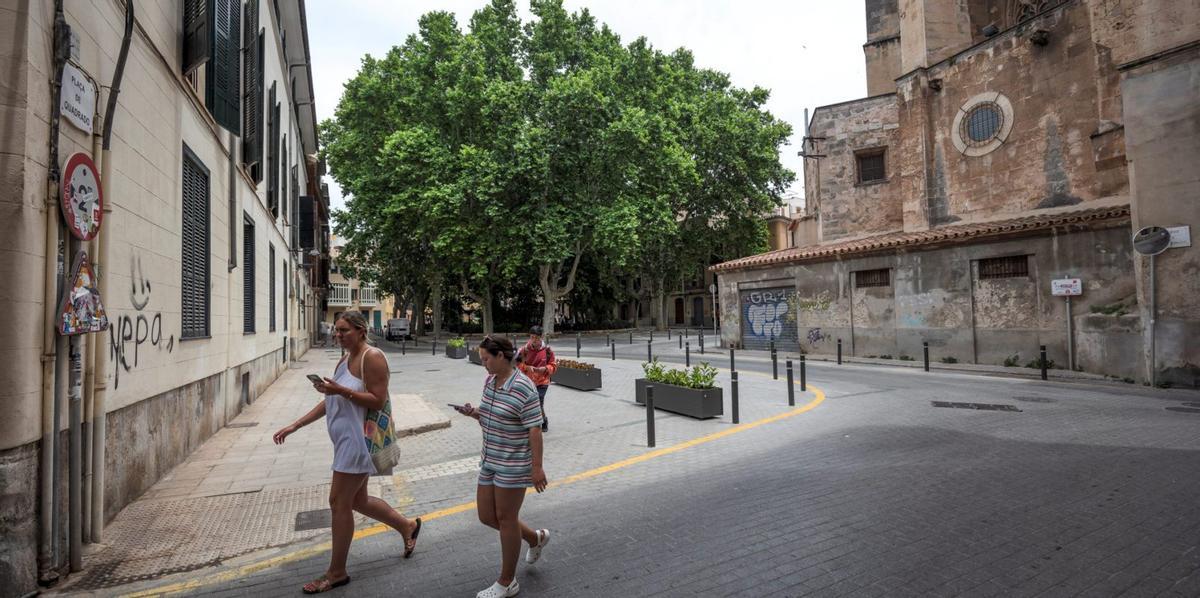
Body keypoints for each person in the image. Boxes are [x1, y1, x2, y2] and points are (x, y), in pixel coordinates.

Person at [272, 312, 421, 594]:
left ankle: (336, 572)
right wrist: (295, 424)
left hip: (359, 443)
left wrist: (340, 389)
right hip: (344, 441)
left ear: (361, 330)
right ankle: (407, 526)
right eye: (336, 331)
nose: (338, 336)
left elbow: (377, 401)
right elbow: (330, 401)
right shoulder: (344, 359)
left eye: (344, 331)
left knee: (338, 502)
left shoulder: (372, 357)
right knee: (358, 501)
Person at [455, 336, 550, 598]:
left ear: (501, 357)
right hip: (489, 459)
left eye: (486, 358)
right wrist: (473, 412)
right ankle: (535, 538)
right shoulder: (490, 381)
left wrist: (537, 468)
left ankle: (507, 581)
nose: (483, 362)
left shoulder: (524, 387)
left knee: (507, 519)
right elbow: (489, 415)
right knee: (487, 516)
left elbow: (534, 429)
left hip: (513, 463)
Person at [515, 326, 556, 432]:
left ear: (541, 337)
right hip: (528, 381)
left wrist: (545, 369)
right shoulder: (524, 350)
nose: (533, 340)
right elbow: (518, 364)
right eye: (531, 337)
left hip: (543, 381)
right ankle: (533, 422)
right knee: (528, 403)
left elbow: (553, 366)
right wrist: (527, 368)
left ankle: (543, 420)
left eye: (536, 338)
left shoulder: (548, 350)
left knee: (538, 401)